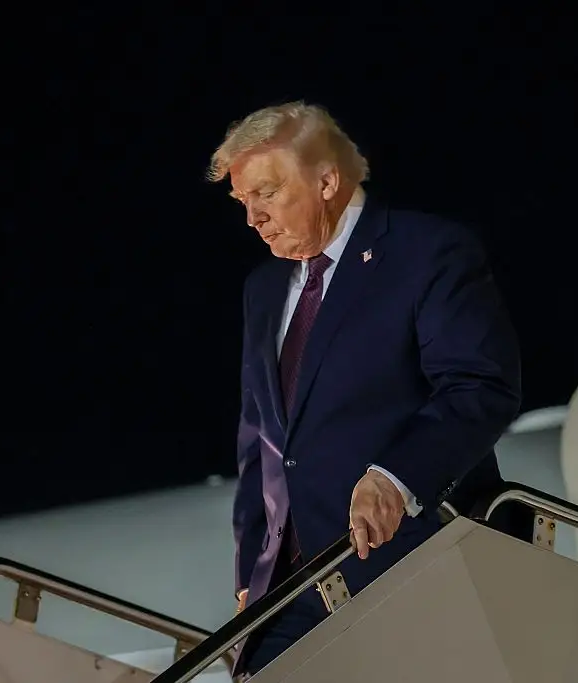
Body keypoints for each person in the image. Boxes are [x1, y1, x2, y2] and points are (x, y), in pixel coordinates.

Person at [212, 101, 524, 678]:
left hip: (407, 560)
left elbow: (480, 386)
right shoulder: (263, 289)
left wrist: (395, 475)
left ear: (327, 180)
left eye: (267, 194)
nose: (252, 218)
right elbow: (261, 445)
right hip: (288, 593)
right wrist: (250, 573)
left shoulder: (425, 251)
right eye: (242, 203)